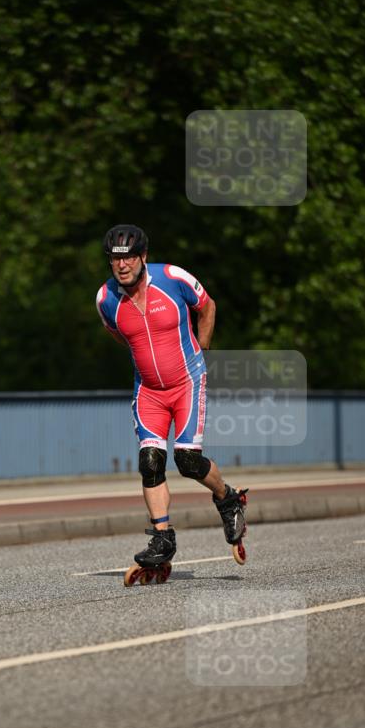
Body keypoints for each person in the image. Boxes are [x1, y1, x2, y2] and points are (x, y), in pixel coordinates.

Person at [96, 223, 247, 568]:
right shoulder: (105, 299)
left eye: (129, 258)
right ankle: (163, 538)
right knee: (150, 463)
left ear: (143, 257)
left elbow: (207, 307)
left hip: (187, 382)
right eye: (115, 259)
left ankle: (228, 500)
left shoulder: (173, 277)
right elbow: (121, 335)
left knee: (188, 460)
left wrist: (202, 350)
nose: (122, 265)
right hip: (148, 390)